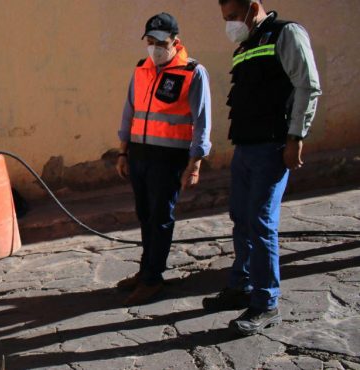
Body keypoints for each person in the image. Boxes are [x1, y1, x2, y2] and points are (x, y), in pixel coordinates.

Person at [203, 0, 321, 336]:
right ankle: (240, 286)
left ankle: (266, 302)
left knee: (260, 222)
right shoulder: (245, 45)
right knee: (240, 217)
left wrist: (297, 136)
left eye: (233, 17)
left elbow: (307, 85)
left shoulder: (286, 34)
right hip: (245, 146)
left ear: (253, 6)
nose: (229, 24)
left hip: (271, 147)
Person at [115, 12, 212, 306]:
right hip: (139, 154)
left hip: (169, 158)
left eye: (160, 42)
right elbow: (129, 111)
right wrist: (123, 151)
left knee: (160, 218)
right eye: (149, 41)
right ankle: (146, 269)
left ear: (175, 42)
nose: (154, 47)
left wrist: (195, 163)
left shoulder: (192, 72)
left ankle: (153, 279)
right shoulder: (141, 69)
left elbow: (202, 121)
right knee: (145, 214)